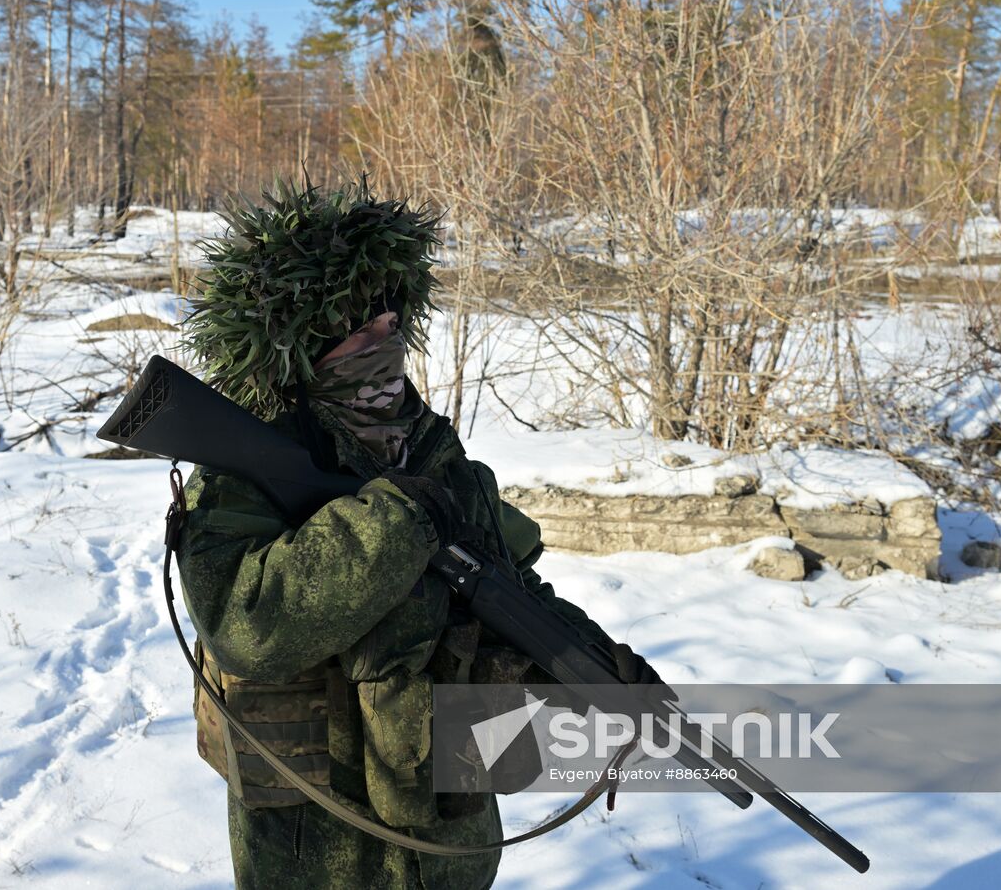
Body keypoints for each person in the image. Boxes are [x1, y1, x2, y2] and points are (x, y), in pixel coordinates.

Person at [174, 178, 664, 889]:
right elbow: (247, 624)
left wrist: (595, 668)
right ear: (302, 345)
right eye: (356, 330)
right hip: (316, 849)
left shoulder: (437, 453)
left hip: (447, 838)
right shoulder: (244, 471)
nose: (383, 344)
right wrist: (395, 521)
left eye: (390, 323)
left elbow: (509, 593)